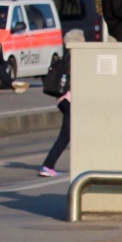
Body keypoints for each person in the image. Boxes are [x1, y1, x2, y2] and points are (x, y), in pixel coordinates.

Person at [39, 30, 83, 177]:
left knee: (74, 133)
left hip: (63, 100)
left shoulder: (66, 58)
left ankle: (82, 164)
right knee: (65, 135)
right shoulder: (76, 58)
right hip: (70, 100)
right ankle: (48, 165)